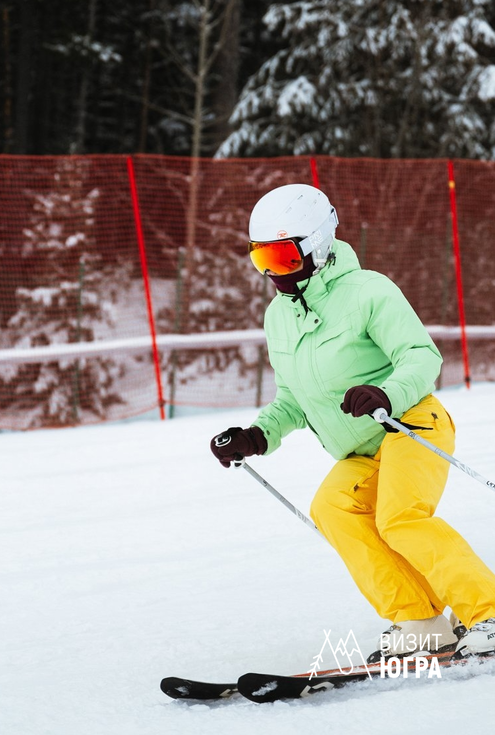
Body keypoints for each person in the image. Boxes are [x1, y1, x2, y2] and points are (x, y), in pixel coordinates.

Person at [209, 183, 495, 660]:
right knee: (333, 508)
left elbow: (421, 356)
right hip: (360, 450)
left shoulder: (368, 291)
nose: (273, 274)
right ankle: (421, 621)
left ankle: (489, 610)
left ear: (316, 247)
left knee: (400, 518)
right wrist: (257, 435)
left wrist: (386, 392)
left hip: (409, 424)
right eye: (262, 260)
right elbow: (294, 398)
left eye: (283, 259)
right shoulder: (278, 317)